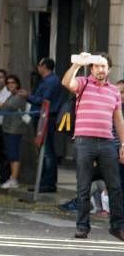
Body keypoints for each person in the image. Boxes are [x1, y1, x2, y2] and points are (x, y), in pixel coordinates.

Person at [61, 52, 124, 241]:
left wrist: (123, 143)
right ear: (92, 68)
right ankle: (82, 227)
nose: (100, 69)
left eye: (104, 66)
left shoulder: (114, 91)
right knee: (83, 186)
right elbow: (66, 83)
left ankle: (117, 226)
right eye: (97, 66)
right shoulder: (83, 83)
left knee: (115, 186)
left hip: (107, 142)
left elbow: (118, 119)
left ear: (109, 69)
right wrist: (77, 65)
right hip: (84, 141)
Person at [20, 58, 62, 192]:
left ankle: (48, 183)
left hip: (47, 118)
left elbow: (45, 100)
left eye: (39, 65)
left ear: (43, 66)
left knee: (47, 151)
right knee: (43, 151)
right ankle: (43, 181)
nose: (38, 68)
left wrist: (28, 96)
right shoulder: (46, 81)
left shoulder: (51, 81)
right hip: (41, 116)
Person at [0, 75, 27, 189]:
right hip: (8, 128)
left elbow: (5, 108)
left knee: (13, 154)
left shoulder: (19, 95)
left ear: (17, 84)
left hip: (15, 129)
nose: (10, 85)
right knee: (10, 154)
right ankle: (11, 177)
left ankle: (14, 179)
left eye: (13, 82)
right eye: (8, 83)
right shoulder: (12, 95)